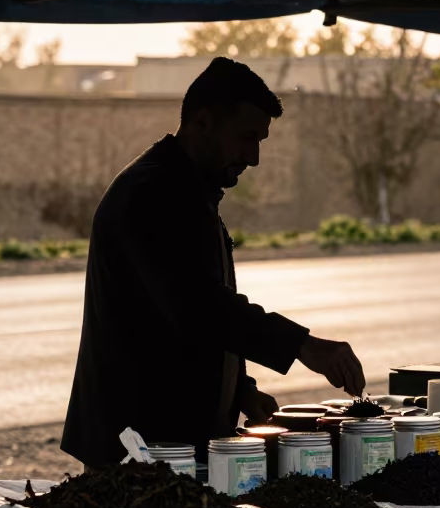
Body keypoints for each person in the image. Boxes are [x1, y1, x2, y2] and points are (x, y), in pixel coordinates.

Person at [62, 56, 365, 467]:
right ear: (202, 121)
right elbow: (198, 306)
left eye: (259, 141)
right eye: (245, 138)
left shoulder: (187, 189)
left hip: (171, 439)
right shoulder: (154, 193)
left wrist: (239, 390)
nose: (254, 157)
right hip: (137, 447)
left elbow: (192, 316)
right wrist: (302, 345)